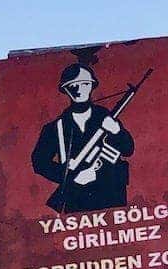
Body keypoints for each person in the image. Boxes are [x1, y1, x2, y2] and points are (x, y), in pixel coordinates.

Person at [31, 63, 136, 213]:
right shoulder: (55, 127)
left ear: (92, 86)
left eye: (85, 83)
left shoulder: (107, 117)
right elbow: (39, 162)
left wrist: (117, 131)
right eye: (73, 85)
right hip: (77, 200)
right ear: (65, 89)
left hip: (111, 197)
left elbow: (128, 149)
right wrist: (73, 177)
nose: (79, 89)